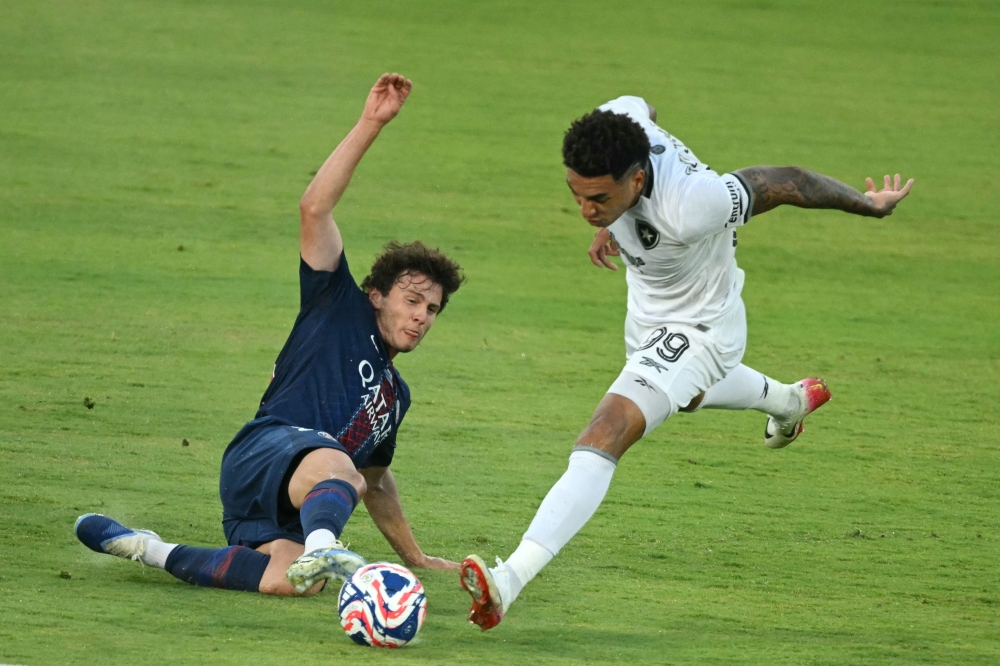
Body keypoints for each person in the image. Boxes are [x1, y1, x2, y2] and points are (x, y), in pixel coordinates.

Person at [460, 95, 913, 629]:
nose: (585, 210)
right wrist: (612, 217)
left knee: (606, 431)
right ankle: (791, 400)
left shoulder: (692, 203)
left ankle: (510, 578)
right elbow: (643, 107)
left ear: (636, 177)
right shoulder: (618, 120)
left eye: (599, 198)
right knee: (688, 395)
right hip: (649, 307)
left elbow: (785, 180)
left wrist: (868, 204)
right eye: (577, 195)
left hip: (702, 328)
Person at [75, 73, 464, 597]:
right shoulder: (337, 305)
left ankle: (146, 547)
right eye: (412, 300)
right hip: (263, 450)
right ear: (376, 294)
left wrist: (415, 556)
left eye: (433, 309)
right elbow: (314, 209)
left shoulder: (397, 398)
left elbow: (374, 481)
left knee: (291, 582)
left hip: (278, 504)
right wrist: (370, 123)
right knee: (338, 470)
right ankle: (324, 544)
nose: (422, 316)